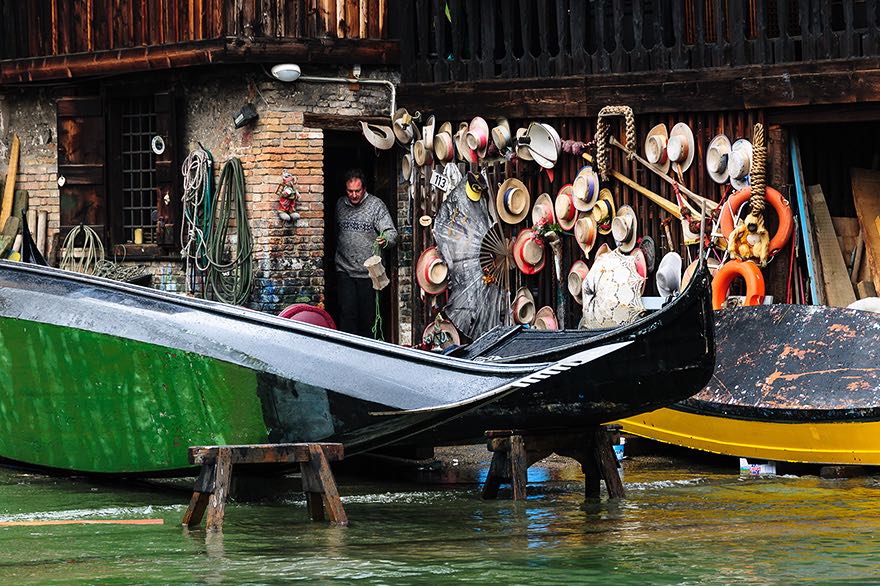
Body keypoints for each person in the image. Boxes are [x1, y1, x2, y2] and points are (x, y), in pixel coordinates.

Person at [334, 168, 398, 337]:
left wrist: (385, 240)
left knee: (368, 319)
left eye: (357, 191)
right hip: (345, 270)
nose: (353, 195)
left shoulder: (376, 206)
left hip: (369, 275)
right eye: (350, 191)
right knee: (347, 315)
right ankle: (347, 353)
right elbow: (334, 232)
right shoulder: (340, 205)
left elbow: (391, 233)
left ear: (364, 189)